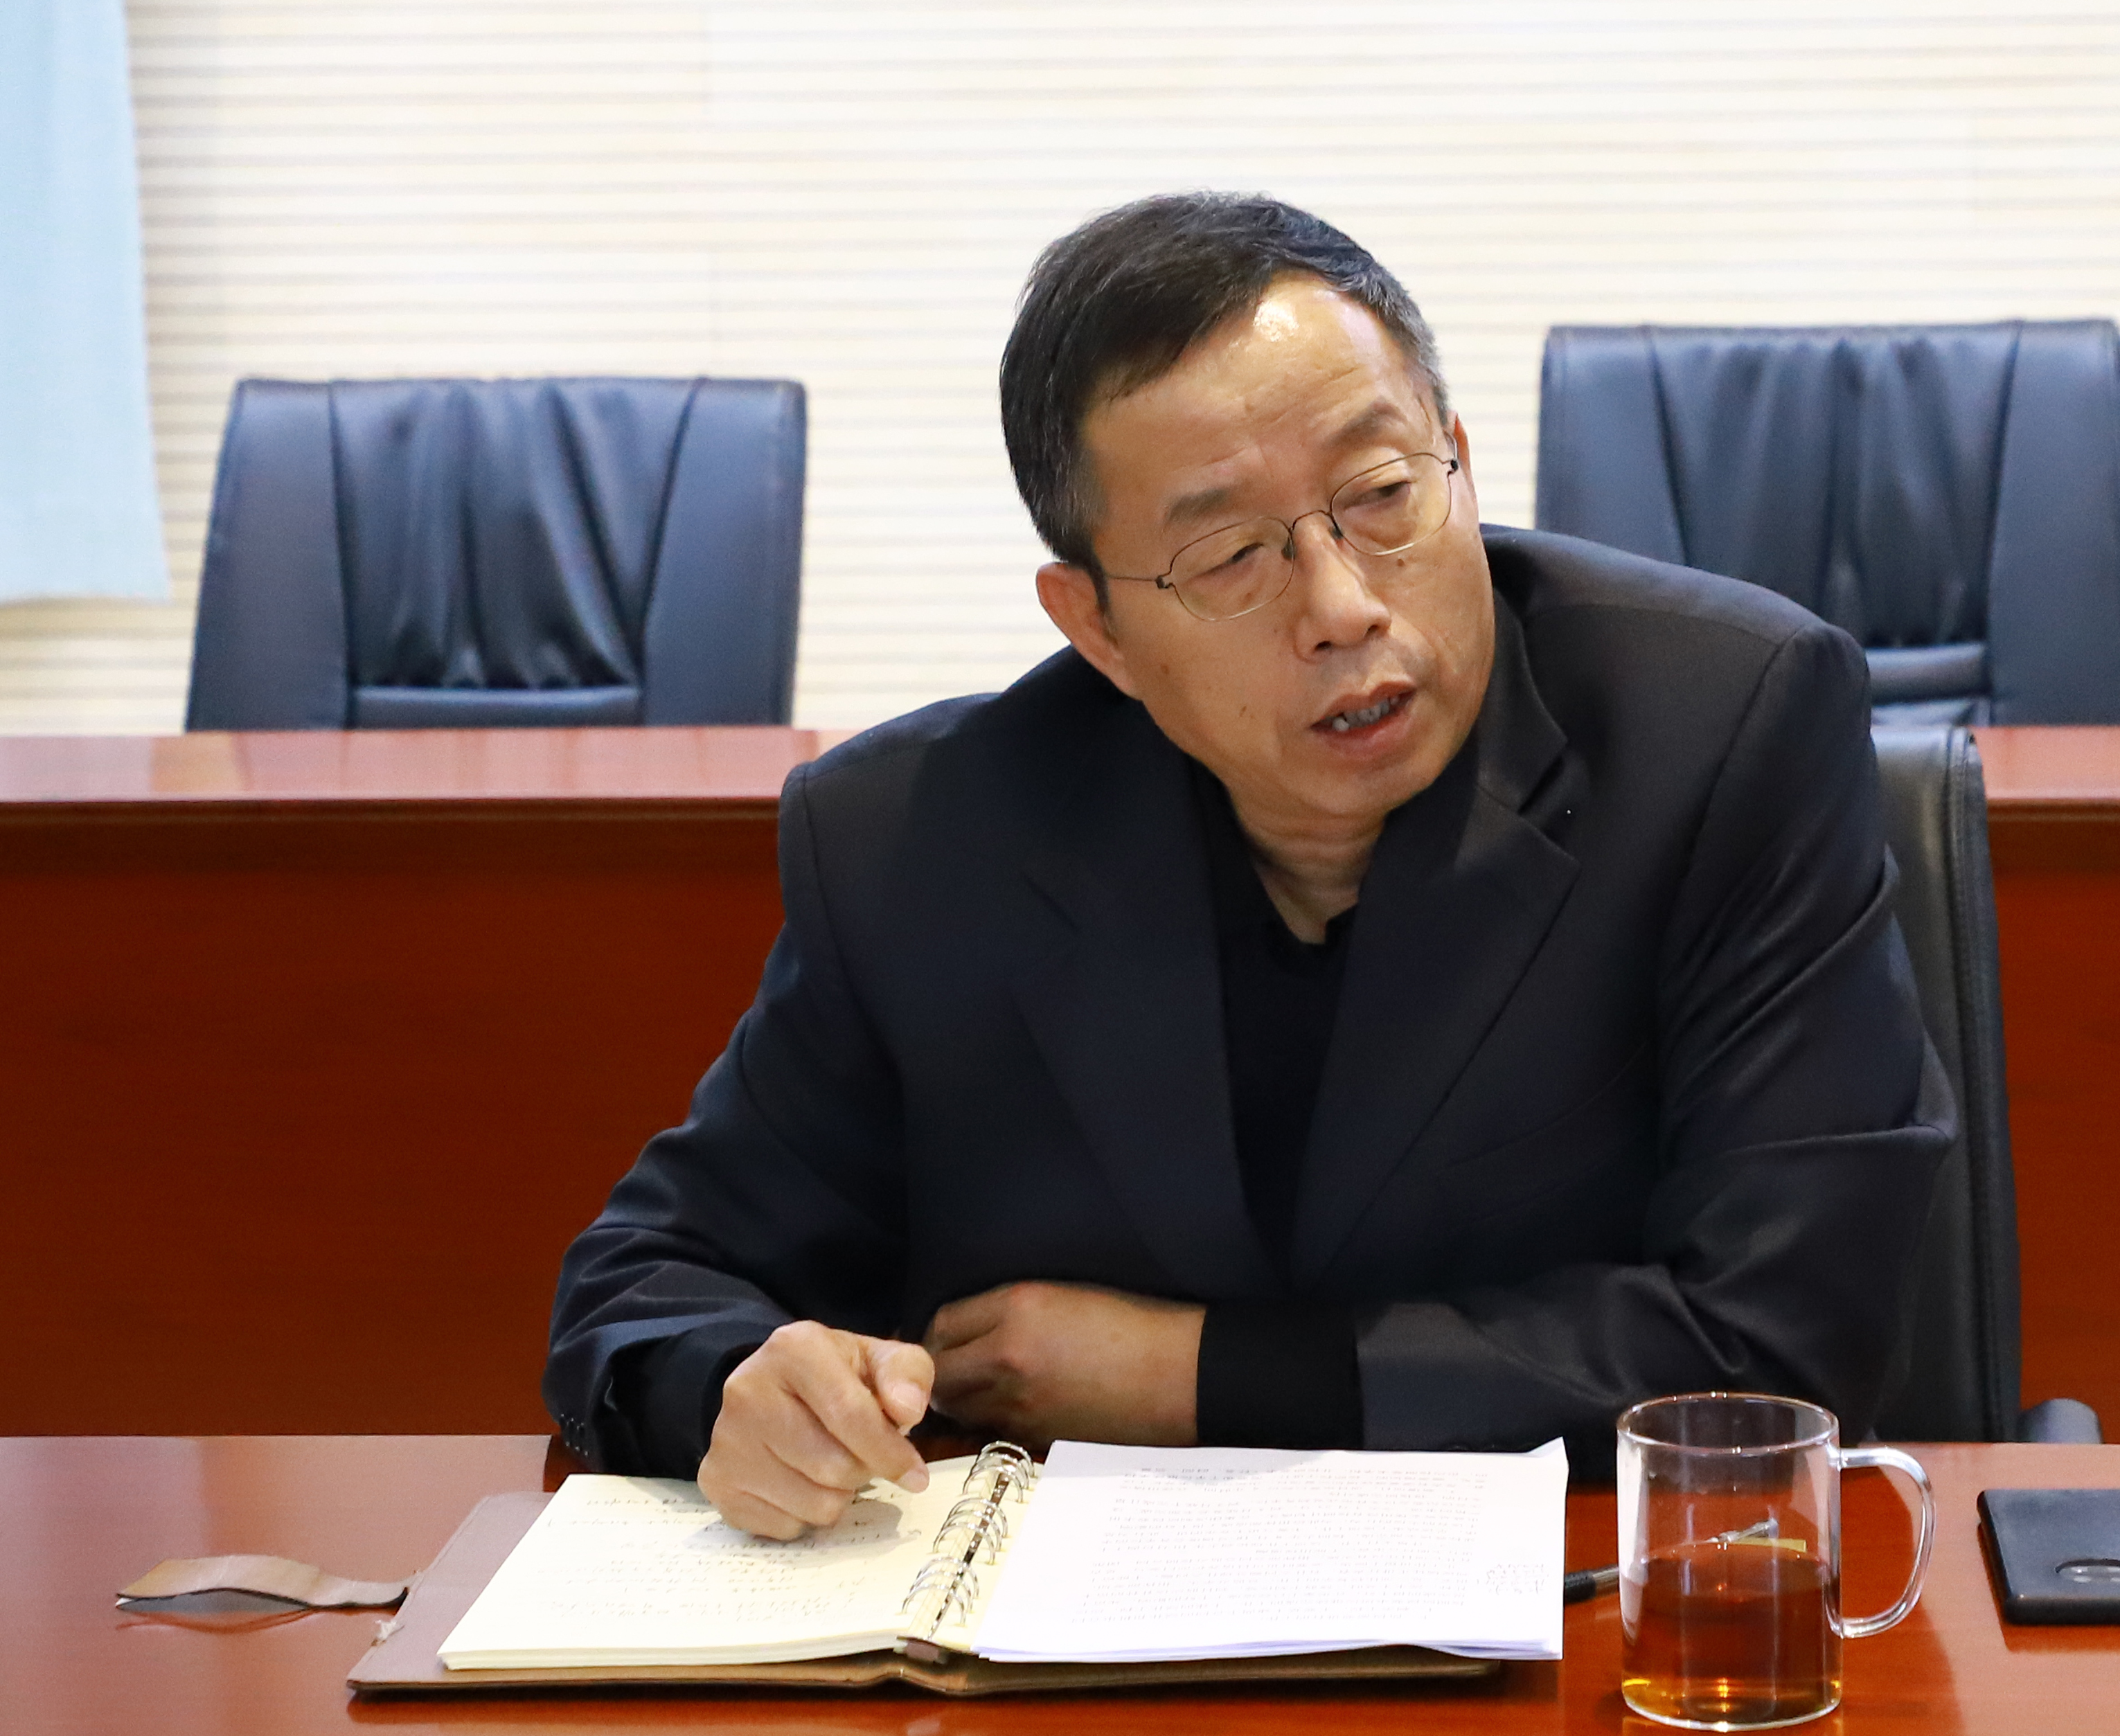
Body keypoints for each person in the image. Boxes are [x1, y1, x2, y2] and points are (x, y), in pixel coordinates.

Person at [545, 193, 1951, 1539]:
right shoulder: (922, 842)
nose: (1343, 605)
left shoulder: (1720, 734)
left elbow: (1781, 1342)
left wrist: (1193, 1378)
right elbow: (645, 1283)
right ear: (1096, 628)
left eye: (1383, 494)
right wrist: (740, 1391)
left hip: (1579, 1625)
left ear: (1459, 458)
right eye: (1229, 557)